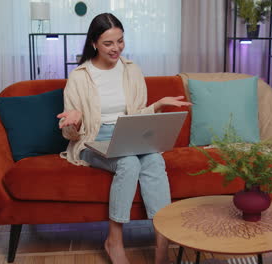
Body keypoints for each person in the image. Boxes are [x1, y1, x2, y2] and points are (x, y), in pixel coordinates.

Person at [57, 13, 191, 264]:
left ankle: (162, 243)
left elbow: (137, 115)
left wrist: (157, 105)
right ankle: (114, 241)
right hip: (92, 139)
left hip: (128, 134)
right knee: (128, 163)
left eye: (120, 41)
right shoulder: (79, 76)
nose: (116, 48)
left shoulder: (132, 70)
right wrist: (77, 120)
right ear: (94, 43)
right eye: (108, 43)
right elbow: (70, 133)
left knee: (153, 159)